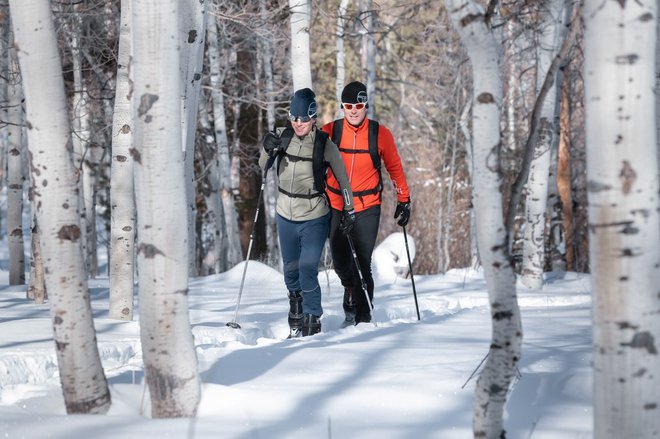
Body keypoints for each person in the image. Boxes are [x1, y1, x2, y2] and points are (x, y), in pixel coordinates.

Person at [259, 88, 355, 338]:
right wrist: (267, 148)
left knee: (307, 267)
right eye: (294, 117)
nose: (298, 123)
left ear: (313, 118)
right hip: (284, 213)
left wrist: (349, 209)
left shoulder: (324, 144)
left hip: (314, 214)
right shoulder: (282, 136)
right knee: (290, 269)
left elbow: (343, 180)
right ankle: (296, 307)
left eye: (303, 118)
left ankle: (313, 317)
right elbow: (262, 166)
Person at [321, 81, 411, 326]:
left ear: (366, 107)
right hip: (337, 203)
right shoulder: (330, 131)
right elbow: (306, 147)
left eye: (358, 105)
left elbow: (394, 167)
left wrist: (404, 199)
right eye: (348, 105)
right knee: (340, 260)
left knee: (362, 261)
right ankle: (349, 288)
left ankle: (363, 316)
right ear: (342, 106)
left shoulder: (379, 134)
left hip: (367, 205)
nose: (353, 110)